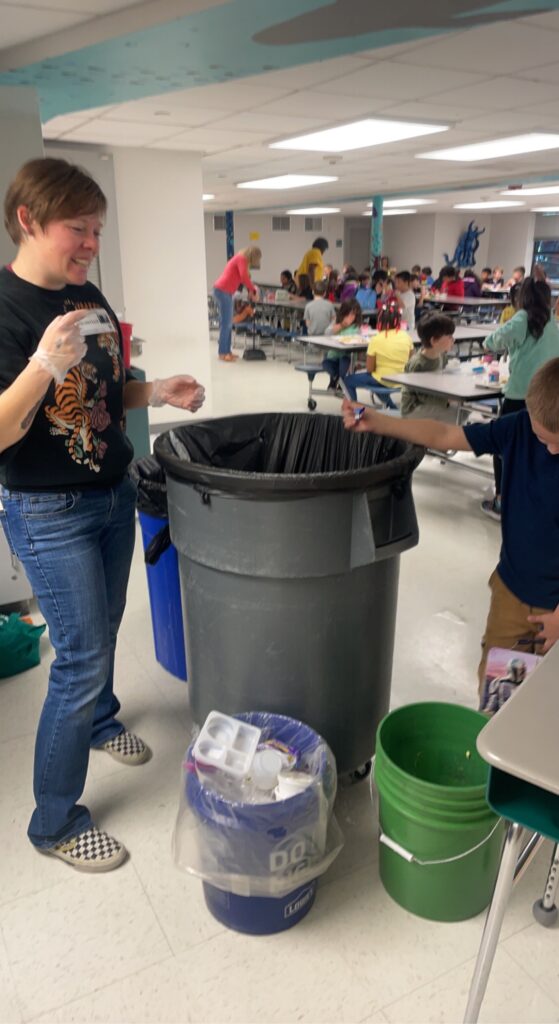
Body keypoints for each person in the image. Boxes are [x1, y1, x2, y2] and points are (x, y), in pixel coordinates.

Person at [0, 157, 205, 871]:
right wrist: (41, 366)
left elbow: (101, 396)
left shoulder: (86, 291)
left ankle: (100, 720)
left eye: (97, 230)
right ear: (28, 219)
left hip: (112, 491)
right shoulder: (4, 308)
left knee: (106, 627)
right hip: (46, 508)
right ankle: (53, 823)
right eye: (76, 229)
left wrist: (158, 392)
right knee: (79, 655)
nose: (90, 243)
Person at [342, 357, 559, 692]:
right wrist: (379, 421)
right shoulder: (517, 428)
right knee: (497, 695)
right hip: (511, 594)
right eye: (542, 437)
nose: (551, 449)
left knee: (543, 704)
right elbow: (444, 434)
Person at [481, 276, 559, 521]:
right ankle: (533, 498)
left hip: (518, 395)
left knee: (504, 446)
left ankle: (502, 500)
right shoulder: (553, 323)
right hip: (547, 394)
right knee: (541, 447)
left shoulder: (521, 318)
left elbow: (491, 342)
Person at [343, 302, 413, 408]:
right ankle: (391, 407)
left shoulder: (376, 339)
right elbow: (411, 361)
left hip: (383, 379)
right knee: (377, 380)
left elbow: (370, 369)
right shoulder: (406, 337)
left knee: (348, 380)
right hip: (402, 380)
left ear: (379, 321)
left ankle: (355, 411)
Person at [401, 313, 456, 421]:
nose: (453, 340)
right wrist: (446, 400)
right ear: (434, 340)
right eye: (449, 337)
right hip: (413, 408)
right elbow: (421, 395)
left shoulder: (441, 356)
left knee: (463, 409)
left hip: (432, 401)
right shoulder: (418, 364)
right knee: (458, 412)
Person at [213, 246, 261, 362]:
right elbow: (244, 277)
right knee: (226, 324)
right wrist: (252, 290)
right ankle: (223, 353)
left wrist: (251, 289)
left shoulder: (240, 260)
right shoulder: (241, 259)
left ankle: (227, 351)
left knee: (228, 323)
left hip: (225, 292)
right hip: (223, 291)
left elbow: (243, 278)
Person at [322, 298, 362, 390]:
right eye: (348, 314)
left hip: (347, 356)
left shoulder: (356, 327)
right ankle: (335, 378)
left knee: (344, 362)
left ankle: (341, 381)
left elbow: (358, 341)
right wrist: (341, 325)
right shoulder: (336, 321)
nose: (350, 317)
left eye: (353, 315)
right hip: (334, 354)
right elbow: (327, 333)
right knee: (326, 363)